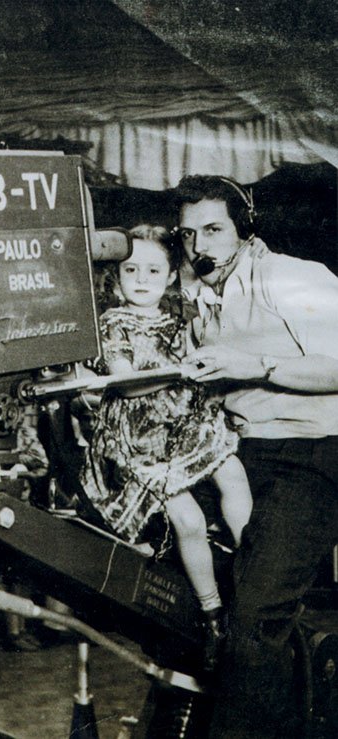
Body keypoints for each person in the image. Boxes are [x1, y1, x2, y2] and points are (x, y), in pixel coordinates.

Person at [174, 174, 338, 739]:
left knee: (254, 614)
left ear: (245, 229)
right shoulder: (197, 298)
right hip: (239, 457)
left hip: (314, 453)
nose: (199, 246)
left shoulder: (291, 278)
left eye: (213, 230)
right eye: (188, 234)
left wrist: (259, 367)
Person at [79, 224, 252, 669]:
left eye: (153, 271)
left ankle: (253, 570)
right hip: (140, 436)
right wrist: (180, 372)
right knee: (188, 520)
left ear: (171, 275)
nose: (141, 279)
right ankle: (212, 613)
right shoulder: (112, 323)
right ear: (115, 277)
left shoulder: (180, 318)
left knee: (233, 474)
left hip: (183, 417)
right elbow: (125, 383)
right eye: (130, 270)